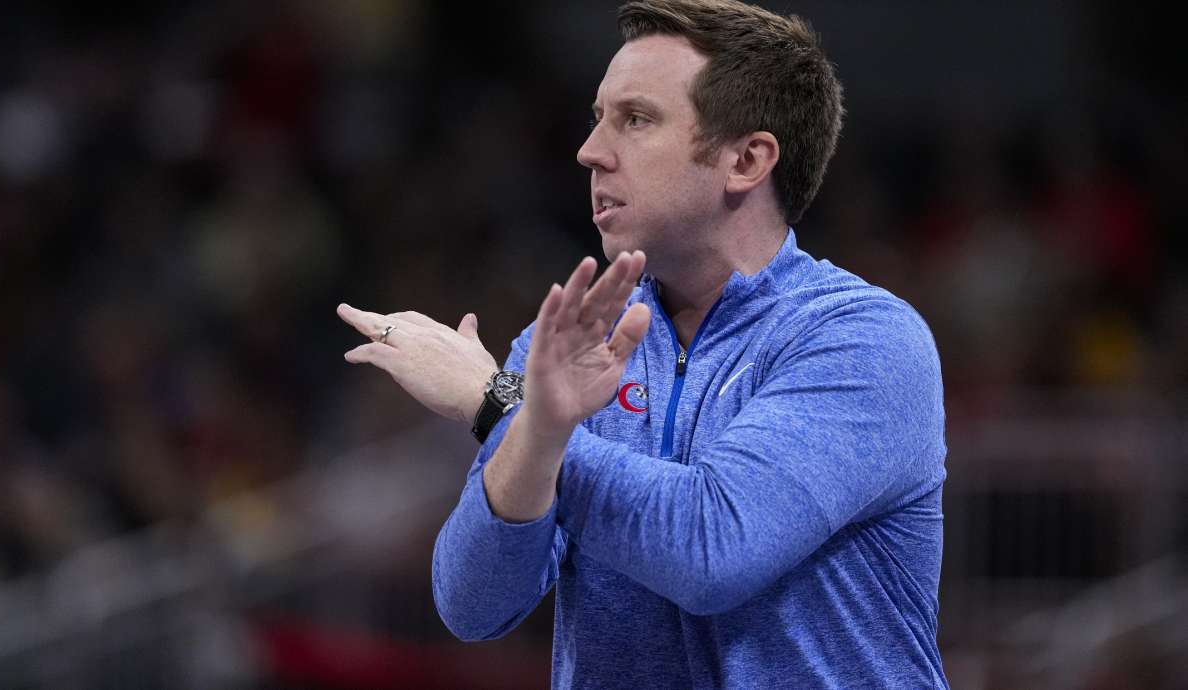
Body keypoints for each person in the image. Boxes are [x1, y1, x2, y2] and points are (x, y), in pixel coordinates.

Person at [337, 0, 948, 687]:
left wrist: (497, 403)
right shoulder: (565, 340)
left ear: (746, 159)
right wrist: (532, 427)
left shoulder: (863, 341)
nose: (591, 151)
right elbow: (474, 604)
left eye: (635, 119)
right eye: (598, 117)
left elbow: (713, 548)